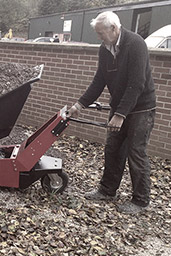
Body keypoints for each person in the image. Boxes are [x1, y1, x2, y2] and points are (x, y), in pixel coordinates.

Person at [66, 11, 156, 214]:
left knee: (136, 152)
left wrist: (120, 114)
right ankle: (107, 191)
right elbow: (100, 80)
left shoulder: (136, 44)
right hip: (120, 107)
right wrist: (79, 105)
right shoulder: (105, 49)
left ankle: (141, 201)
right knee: (113, 149)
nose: (99, 37)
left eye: (101, 33)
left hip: (142, 108)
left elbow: (136, 84)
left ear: (114, 29)